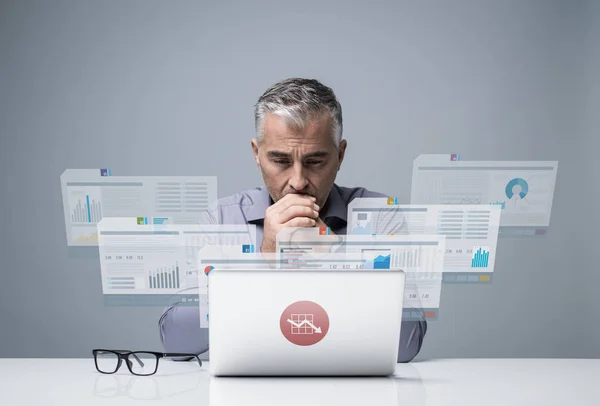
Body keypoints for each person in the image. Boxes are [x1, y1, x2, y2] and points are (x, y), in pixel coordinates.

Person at [158, 78, 427, 362]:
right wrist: (264, 258)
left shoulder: (379, 216)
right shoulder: (223, 218)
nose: (297, 182)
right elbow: (178, 342)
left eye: (314, 162)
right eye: (281, 161)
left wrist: (337, 259)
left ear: (340, 155)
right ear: (256, 154)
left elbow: (405, 347)